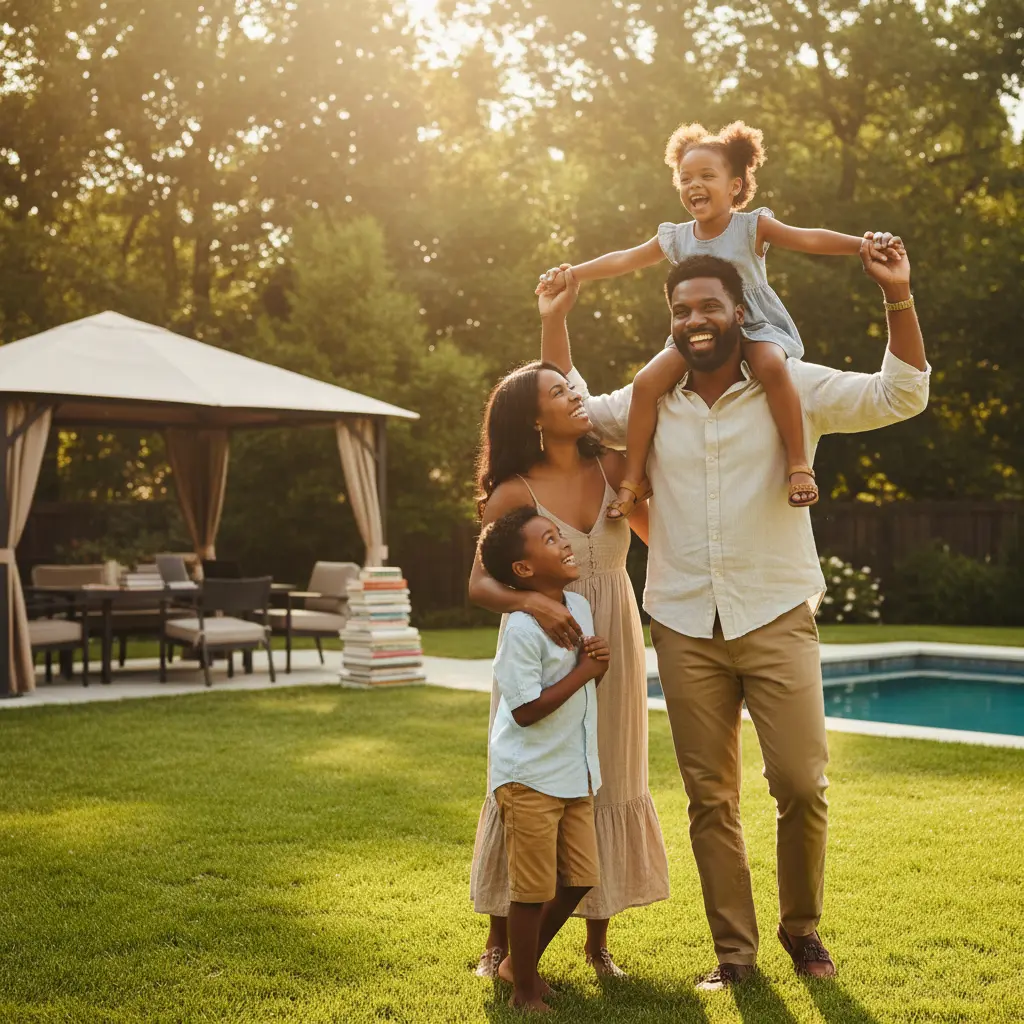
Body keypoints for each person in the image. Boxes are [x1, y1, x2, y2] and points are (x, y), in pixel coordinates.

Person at [540, 237, 929, 990]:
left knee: (802, 785)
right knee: (710, 800)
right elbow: (572, 409)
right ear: (671, 321)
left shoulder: (794, 386)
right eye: (681, 309)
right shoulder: (649, 401)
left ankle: (801, 930)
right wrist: (556, 317)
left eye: (709, 306)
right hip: (684, 623)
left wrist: (898, 295)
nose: (695, 319)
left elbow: (901, 393)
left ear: (740, 312)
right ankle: (735, 956)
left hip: (776, 611)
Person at [537, 120, 904, 517]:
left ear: (735, 186)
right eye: (685, 178)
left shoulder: (751, 227)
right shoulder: (677, 237)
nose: (694, 185)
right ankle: (634, 479)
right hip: (699, 335)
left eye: (707, 176)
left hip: (755, 326)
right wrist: (574, 274)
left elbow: (808, 237)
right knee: (645, 383)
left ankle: (799, 464)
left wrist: (863, 245)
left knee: (771, 367)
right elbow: (625, 258)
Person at [468, 312, 670, 978]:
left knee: (606, 775)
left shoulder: (614, 467)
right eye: (559, 392)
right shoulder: (513, 491)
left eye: (572, 387)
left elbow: (657, 537)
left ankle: (596, 942)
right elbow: (478, 583)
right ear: (533, 419)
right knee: (528, 780)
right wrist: (530, 600)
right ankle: (499, 942)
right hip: (541, 645)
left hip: (614, 639)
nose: (575, 395)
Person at [478, 505, 610, 1012]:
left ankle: (518, 963)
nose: (565, 543)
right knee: (531, 892)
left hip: (574, 770)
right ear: (524, 568)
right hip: (529, 777)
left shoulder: (579, 606)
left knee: (580, 877)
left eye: (559, 535)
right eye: (550, 539)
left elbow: (586, 678)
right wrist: (584, 672)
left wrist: (597, 666)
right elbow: (525, 710)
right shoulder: (521, 629)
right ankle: (524, 991)